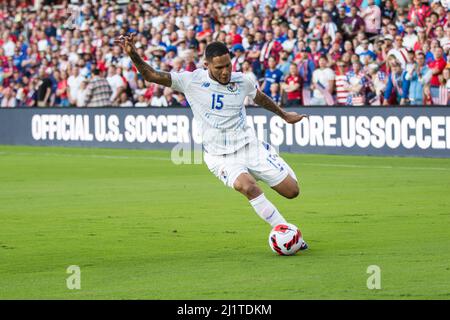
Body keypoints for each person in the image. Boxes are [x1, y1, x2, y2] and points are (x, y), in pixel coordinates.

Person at [115, 34, 309, 248]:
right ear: (206, 65)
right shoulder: (191, 81)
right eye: (219, 68)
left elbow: (259, 97)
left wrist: (284, 115)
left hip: (251, 147)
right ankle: (289, 235)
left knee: (292, 192)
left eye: (228, 65)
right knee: (247, 187)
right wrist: (134, 55)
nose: (225, 71)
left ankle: (268, 159)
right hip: (221, 157)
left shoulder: (241, 80)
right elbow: (151, 75)